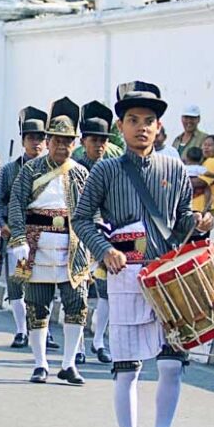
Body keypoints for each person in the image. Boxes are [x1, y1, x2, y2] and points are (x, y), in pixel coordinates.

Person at [71, 81, 213, 427]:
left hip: (168, 276)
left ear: (159, 126)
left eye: (149, 121)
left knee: (171, 364)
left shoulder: (173, 167)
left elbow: (183, 218)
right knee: (128, 366)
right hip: (126, 273)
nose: (141, 128)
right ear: (120, 125)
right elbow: (81, 219)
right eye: (133, 120)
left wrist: (200, 224)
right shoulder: (105, 170)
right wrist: (104, 250)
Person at [8, 97, 91, 386]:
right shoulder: (30, 170)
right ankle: (40, 363)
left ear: (74, 142)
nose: (62, 146)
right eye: (56, 140)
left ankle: (69, 363)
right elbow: (16, 204)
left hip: (72, 246)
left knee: (76, 304)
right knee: (37, 305)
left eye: (68, 141)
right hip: (36, 243)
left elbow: (91, 210)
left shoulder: (81, 173)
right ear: (49, 139)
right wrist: (18, 237)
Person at [0, 106, 47, 349]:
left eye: (40, 138)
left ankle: (42, 330)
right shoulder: (9, 170)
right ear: (23, 140)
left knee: (42, 284)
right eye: (31, 138)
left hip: (47, 236)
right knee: (18, 282)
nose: (36, 142)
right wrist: (3, 224)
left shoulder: (54, 169)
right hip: (17, 234)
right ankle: (21, 330)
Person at [75, 100, 118, 364]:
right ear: (84, 141)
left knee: (106, 292)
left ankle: (99, 340)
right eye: (94, 140)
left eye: (104, 140)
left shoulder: (113, 167)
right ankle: (77, 344)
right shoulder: (75, 167)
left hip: (104, 237)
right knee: (78, 293)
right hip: (78, 236)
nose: (100, 145)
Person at [190, 135, 214, 215]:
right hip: (200, 208)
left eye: (210, 145)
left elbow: (201, 182)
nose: (206, 147)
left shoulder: (212, 161)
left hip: (200, 208)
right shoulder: (208, 161)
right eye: (204, 144)